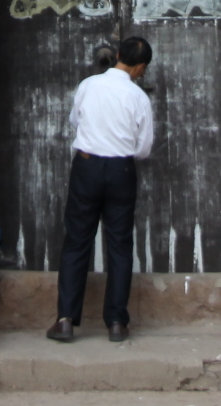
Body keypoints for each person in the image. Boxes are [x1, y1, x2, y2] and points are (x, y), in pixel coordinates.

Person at [48, 35, 153, 346]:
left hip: (87, 166)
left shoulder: (89, 85)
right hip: (121, 170)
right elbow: (144, 148)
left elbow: (74, 120)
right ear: (141, 67)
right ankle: (117, 322)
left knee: (77, 241)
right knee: (119, 245)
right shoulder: (138, 98)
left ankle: (66, 319)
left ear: (118, 54)